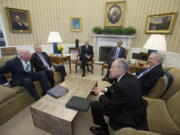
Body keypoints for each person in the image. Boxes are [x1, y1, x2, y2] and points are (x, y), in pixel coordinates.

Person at [90, 59, 148, 135]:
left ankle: (104, 129)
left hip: (126, 115)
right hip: (135, 109)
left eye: (113, 67)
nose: (110, 70)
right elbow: (114, 89)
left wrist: (100, 94)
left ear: (121, 70)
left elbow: (110, 106)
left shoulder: (121, 86)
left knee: (94, 104)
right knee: (106, 94)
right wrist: (104, 90)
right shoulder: (130, 77)